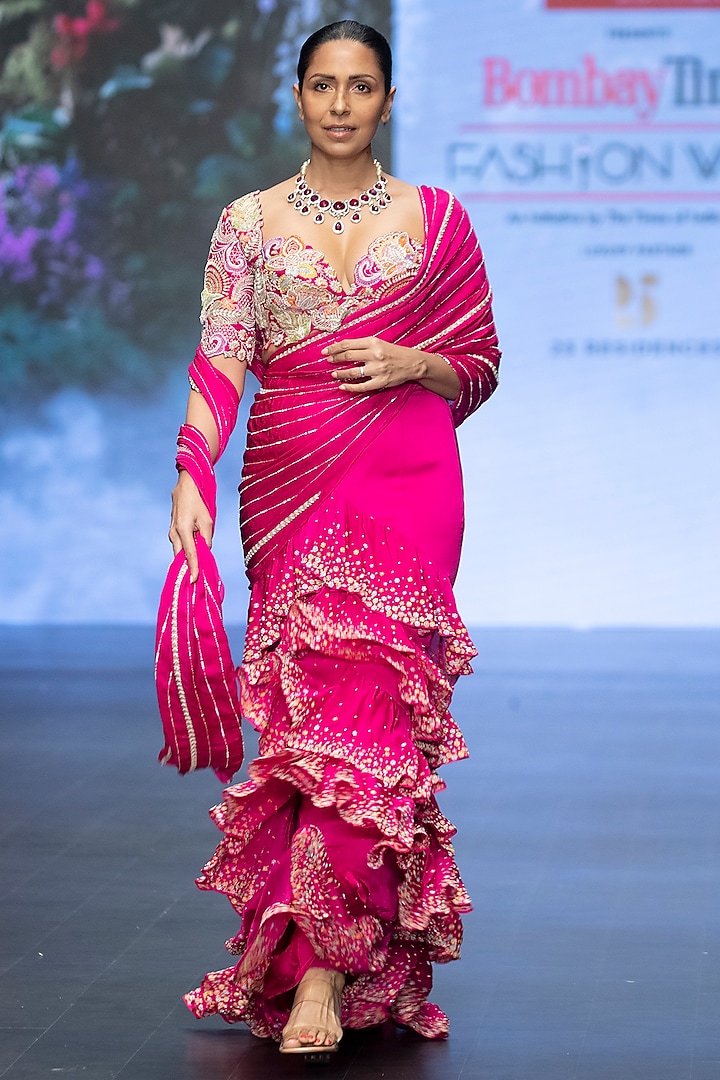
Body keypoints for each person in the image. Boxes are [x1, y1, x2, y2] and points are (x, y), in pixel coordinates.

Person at [166, 19, 500, 1061]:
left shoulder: (438, 220)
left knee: (372, 717)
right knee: (313, 727)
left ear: (388, 101)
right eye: (324, 86)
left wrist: (415, 364)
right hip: (292, 485)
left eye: (362, 86)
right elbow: (222, 357)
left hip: (409, 480)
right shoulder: (249, 222)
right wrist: (191, 475)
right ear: (299, 98)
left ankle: (319, 965)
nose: (343, 104)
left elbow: (480, 365)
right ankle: (331, 946)